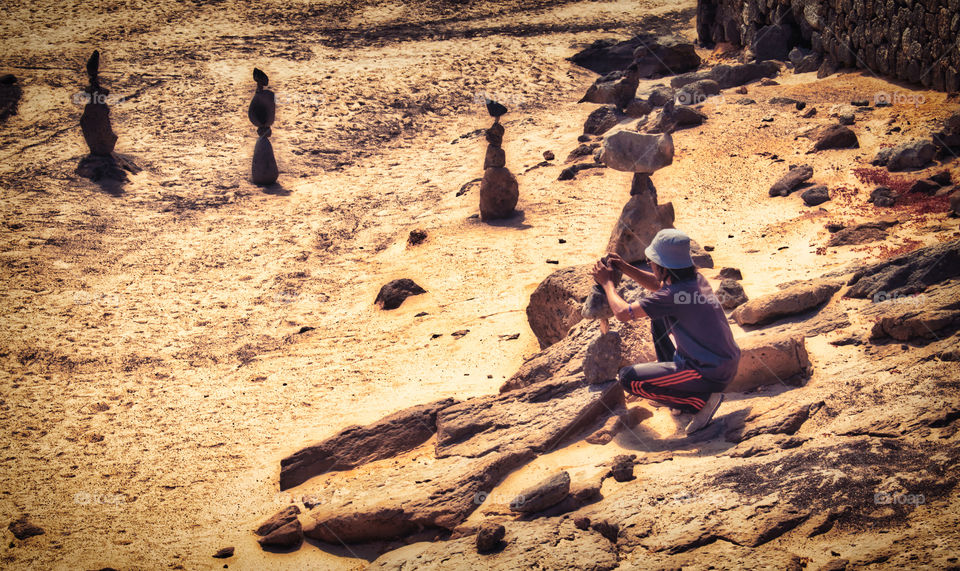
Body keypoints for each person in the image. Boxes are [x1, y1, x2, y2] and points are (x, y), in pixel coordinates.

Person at [590, 228, 741, 435]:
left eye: (652, 262)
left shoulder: (672, 295)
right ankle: (682, 394)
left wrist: (607, 284)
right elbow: (657, 283)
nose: (649, 264)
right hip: (724, 363)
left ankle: (701, 402)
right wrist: (624, 267)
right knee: (659, 320)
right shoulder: (695, 281)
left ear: (665, 268)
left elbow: (623, 313)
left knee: (628, 378)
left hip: (708, 373)